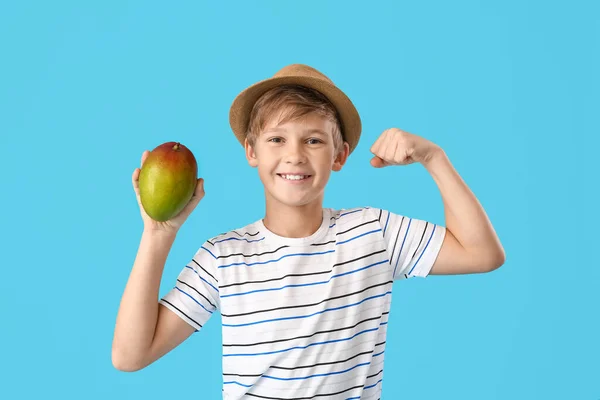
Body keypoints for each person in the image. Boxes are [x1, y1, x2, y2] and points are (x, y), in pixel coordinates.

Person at [112, 64, 505, 399]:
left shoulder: (373, 234)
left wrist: (433, 158)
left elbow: (482, 253)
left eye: (313, 140)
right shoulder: (223, 256)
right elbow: (130, 356)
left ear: (340, 155)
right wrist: (158, 233)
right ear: (252, 151)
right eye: (276, 139)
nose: (294, 155)